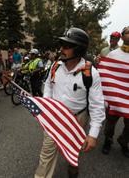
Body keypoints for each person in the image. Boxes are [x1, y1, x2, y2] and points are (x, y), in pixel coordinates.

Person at [34, 27, 105, 178]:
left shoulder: (91, 73)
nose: (61, 49)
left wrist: (93, 134)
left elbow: (97, 106)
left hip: (77, 119)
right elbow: (48, 84)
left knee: (73, 151)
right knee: (46, 154)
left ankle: (73, 166)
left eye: (66, 46)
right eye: (62, 45)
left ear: (79, 49)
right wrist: (47, 103)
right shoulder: (55, 66)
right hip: (54, 118)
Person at [101, 26, 129, 157]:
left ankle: (124, 141)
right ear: (123, 37)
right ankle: (108, 140)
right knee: (111, 121)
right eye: (128, 33)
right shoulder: (113, 54)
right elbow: (105, 74)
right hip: (116, 97)